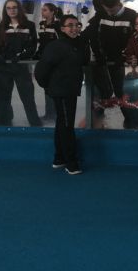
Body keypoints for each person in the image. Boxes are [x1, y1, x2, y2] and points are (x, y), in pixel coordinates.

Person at [35, 15, 89, 175]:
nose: (74, 28)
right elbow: (41, 70)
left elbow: (83, 61)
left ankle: (59, 158)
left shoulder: (77, 44)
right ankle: (71, 163)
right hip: (62, 91)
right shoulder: (56, 46)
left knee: (62, 123)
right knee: (66, 125)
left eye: (76, 25)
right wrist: (49, 86)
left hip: (68, 89)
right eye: (70, 25)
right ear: (62, 28)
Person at [84, 0, 137, 128]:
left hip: (119, 62)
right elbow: (92, 35)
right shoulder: (102, 15)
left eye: (111, 10)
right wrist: (98, 54)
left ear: (119, 5)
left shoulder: (132, 15)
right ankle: (97, 120)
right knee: (101, 91)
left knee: (119, 90)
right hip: (102, 61)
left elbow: (134, 39)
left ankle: (130, 119)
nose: (109, 13)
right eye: (106, 10)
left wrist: (124, 56)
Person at [0, 0, 42, 127]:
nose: (12, 10)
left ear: (19, 9)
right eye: (8, 8)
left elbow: (33, 46)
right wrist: (0, 56)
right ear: (5, 10)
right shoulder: (1, 26)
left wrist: (21, 56)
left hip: (21, 67)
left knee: (28, 98)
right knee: (4, 98)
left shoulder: (29, 25)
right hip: (4, 68)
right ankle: (2, 125)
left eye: (14, 7)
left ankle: (35, 124)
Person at [35, 3, 62, 121]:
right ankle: (49, 113)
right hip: (45, 59)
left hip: (55, 61)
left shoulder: (58, 25)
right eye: (42, 10)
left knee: (55, 87)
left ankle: (57, 113)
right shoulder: (41, 24)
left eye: (45, 10)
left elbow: (60, 42)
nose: (42, 12)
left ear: (52, 12)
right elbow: (41, 41)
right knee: (46, 87)